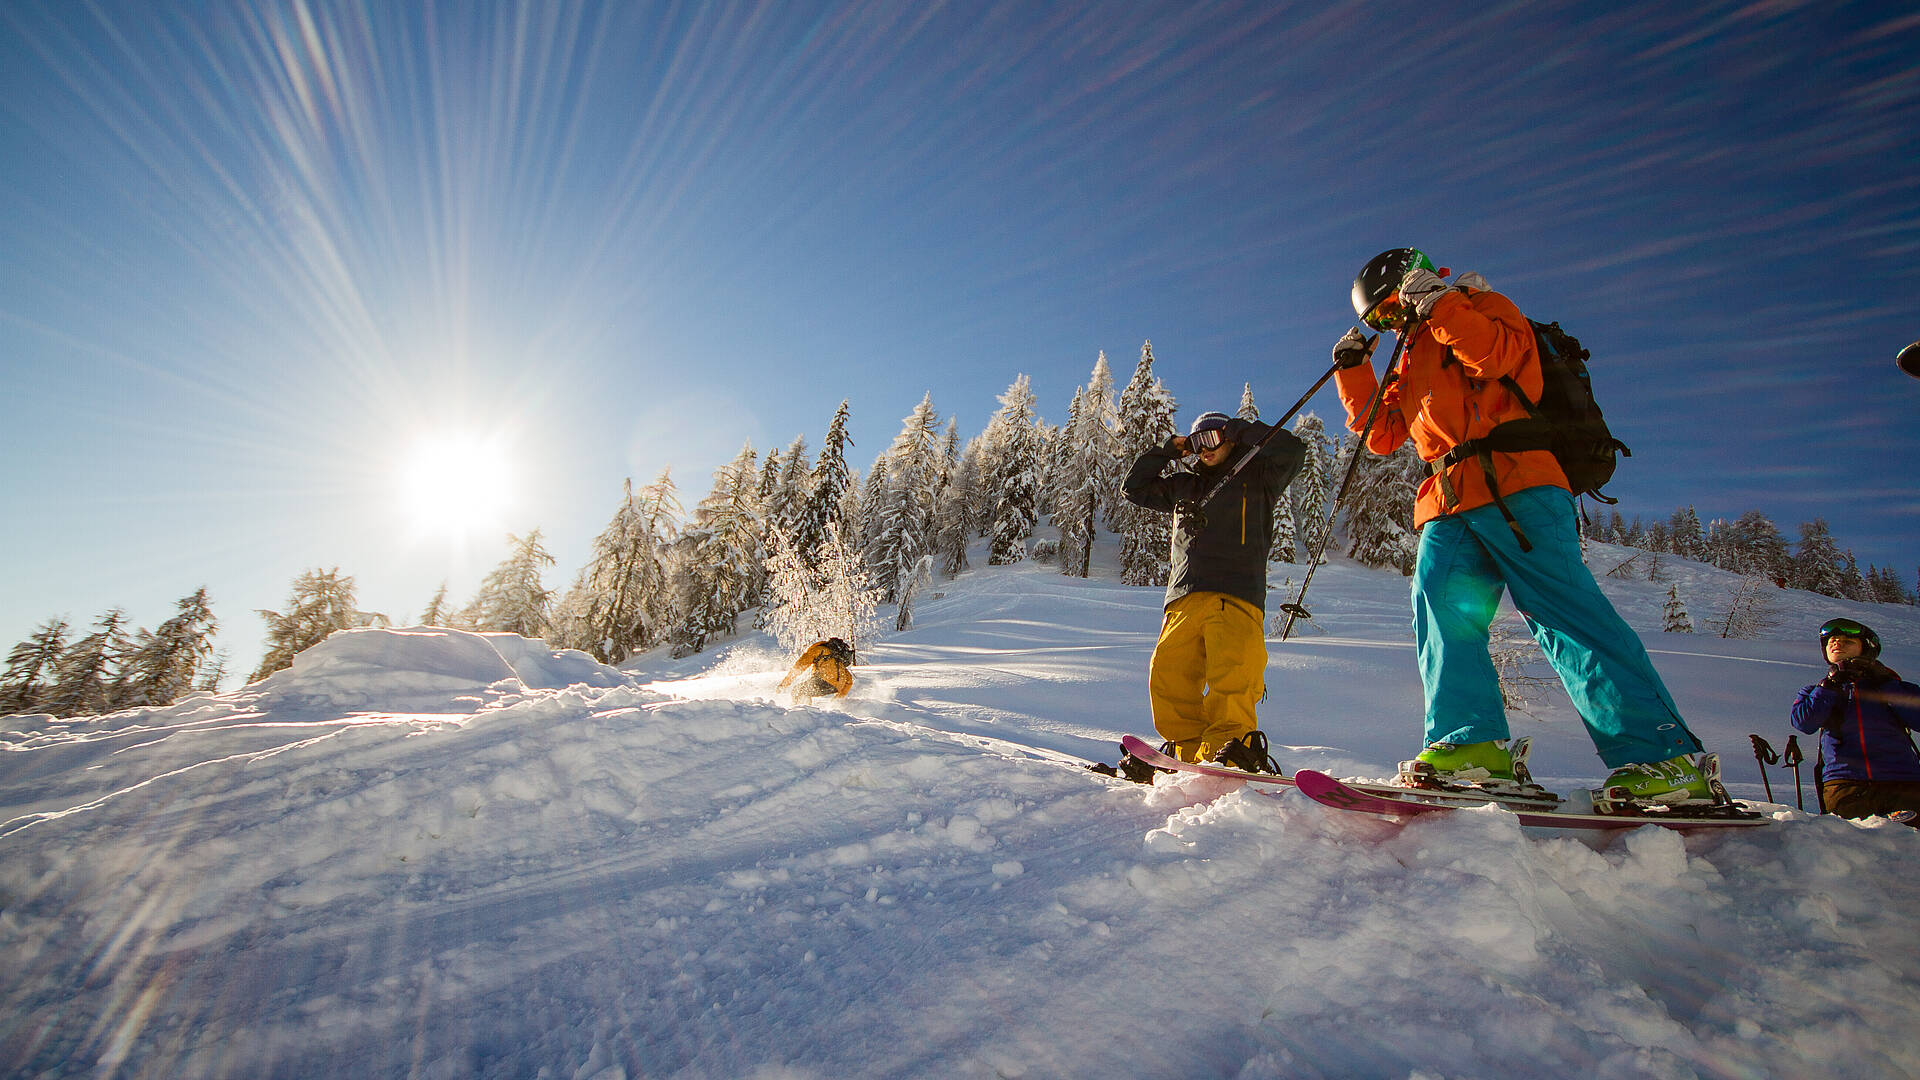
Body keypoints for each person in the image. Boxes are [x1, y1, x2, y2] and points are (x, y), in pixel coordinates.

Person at [1331, 248, 1714, 804]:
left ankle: (1662, 758)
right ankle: (1471, 747)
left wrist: (1440, 307)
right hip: (1447, 495)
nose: (1395, 324)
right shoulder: (1409, 358)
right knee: (1440, 611)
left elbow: (1497, 357)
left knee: (1562, 614)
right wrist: (1355, 370)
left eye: (1393, 310)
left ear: (1414, 280)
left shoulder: (1478, 304)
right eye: (1382, 321)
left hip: (1519, 481)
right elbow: (1384, 434)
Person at [1118, 409, 1304, 772]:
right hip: (1184, 598)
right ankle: (1188, 756)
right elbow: (1135, 487)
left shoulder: (1260, 475)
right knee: (1168, 679)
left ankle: (1230, 749)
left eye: (1213, 439)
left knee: (1233, 677)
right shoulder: (1187, 485)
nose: (1204, 449)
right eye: (1197, 441)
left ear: (1230, 439)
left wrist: (1239, 429)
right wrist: (1169, 449)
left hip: (1236, 594)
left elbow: (1292, 450)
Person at [1790, 618, 1920, 824]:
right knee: (1850, 852)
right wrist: (1828, 687)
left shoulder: (1894, 685)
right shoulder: (1815, 690)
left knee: (1909, 850)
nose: (1836, 643)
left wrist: (1885, 683)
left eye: (1847, 641)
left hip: (1903, 782)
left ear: (1866, 649)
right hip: (1844, 784)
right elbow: (1804, 722)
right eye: (1831, 641)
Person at [778, 637, 854, 705]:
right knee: (805, 690)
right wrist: (838, 698)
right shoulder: (836, 657)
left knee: (798, 691)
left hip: (825, 680)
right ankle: (805, 711)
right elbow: (849, 681)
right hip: (837, 686)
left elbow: (799, 667)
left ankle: (801, 713)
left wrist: (784, 684)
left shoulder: (817, 650)